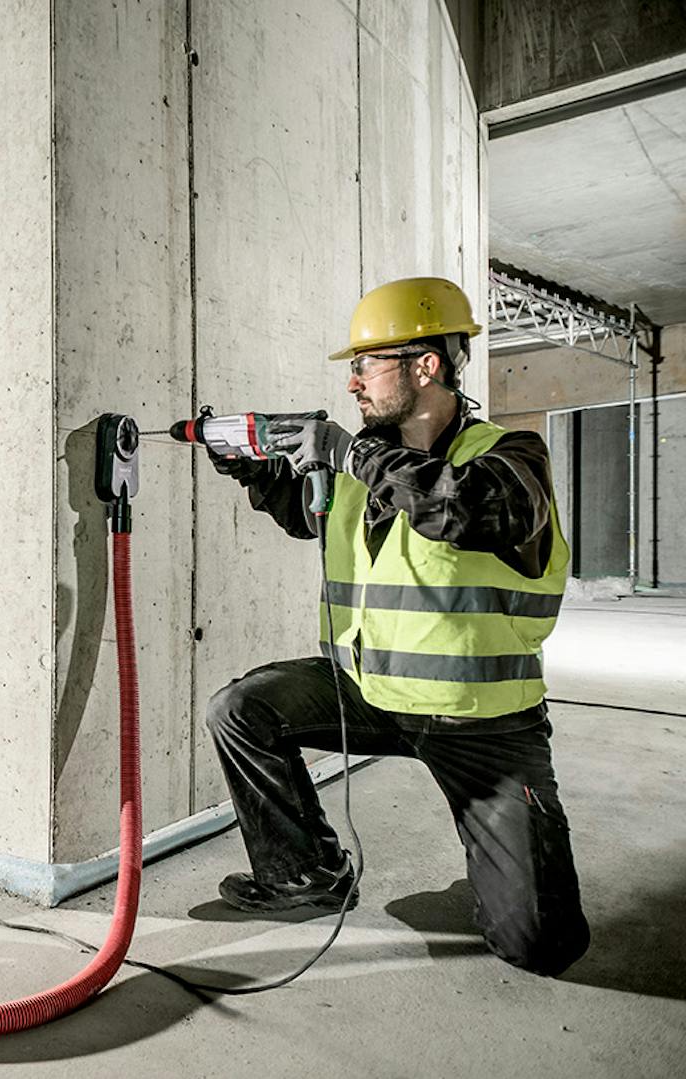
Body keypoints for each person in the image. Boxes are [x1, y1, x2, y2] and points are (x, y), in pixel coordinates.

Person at [204, 276, 590, 977]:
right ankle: (304, 874)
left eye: (365, 364)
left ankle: (512, 855)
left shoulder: (510, 455)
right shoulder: (366, 462)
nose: (352, 383)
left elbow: (465, 510)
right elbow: (307, 514)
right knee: (240, 708)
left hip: (483, 722)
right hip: (370, 693)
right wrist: (254, 473)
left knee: (541, 944)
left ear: (426, 365)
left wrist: (347, 452)